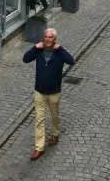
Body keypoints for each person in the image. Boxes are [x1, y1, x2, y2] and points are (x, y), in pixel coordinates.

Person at [23, 28, 75, 160]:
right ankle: (39, 148)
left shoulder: (59, 54)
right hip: (39, 91)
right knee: (39, 119)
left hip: (54, 92)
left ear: (54, 40)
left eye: (50, 37)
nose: (47, 39)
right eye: (45, 37)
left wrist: (60, 48)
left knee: (54, 115)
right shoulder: (39, 52)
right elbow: (26, 59)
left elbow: (71, 61)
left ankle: (55, 133)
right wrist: (35, 47)